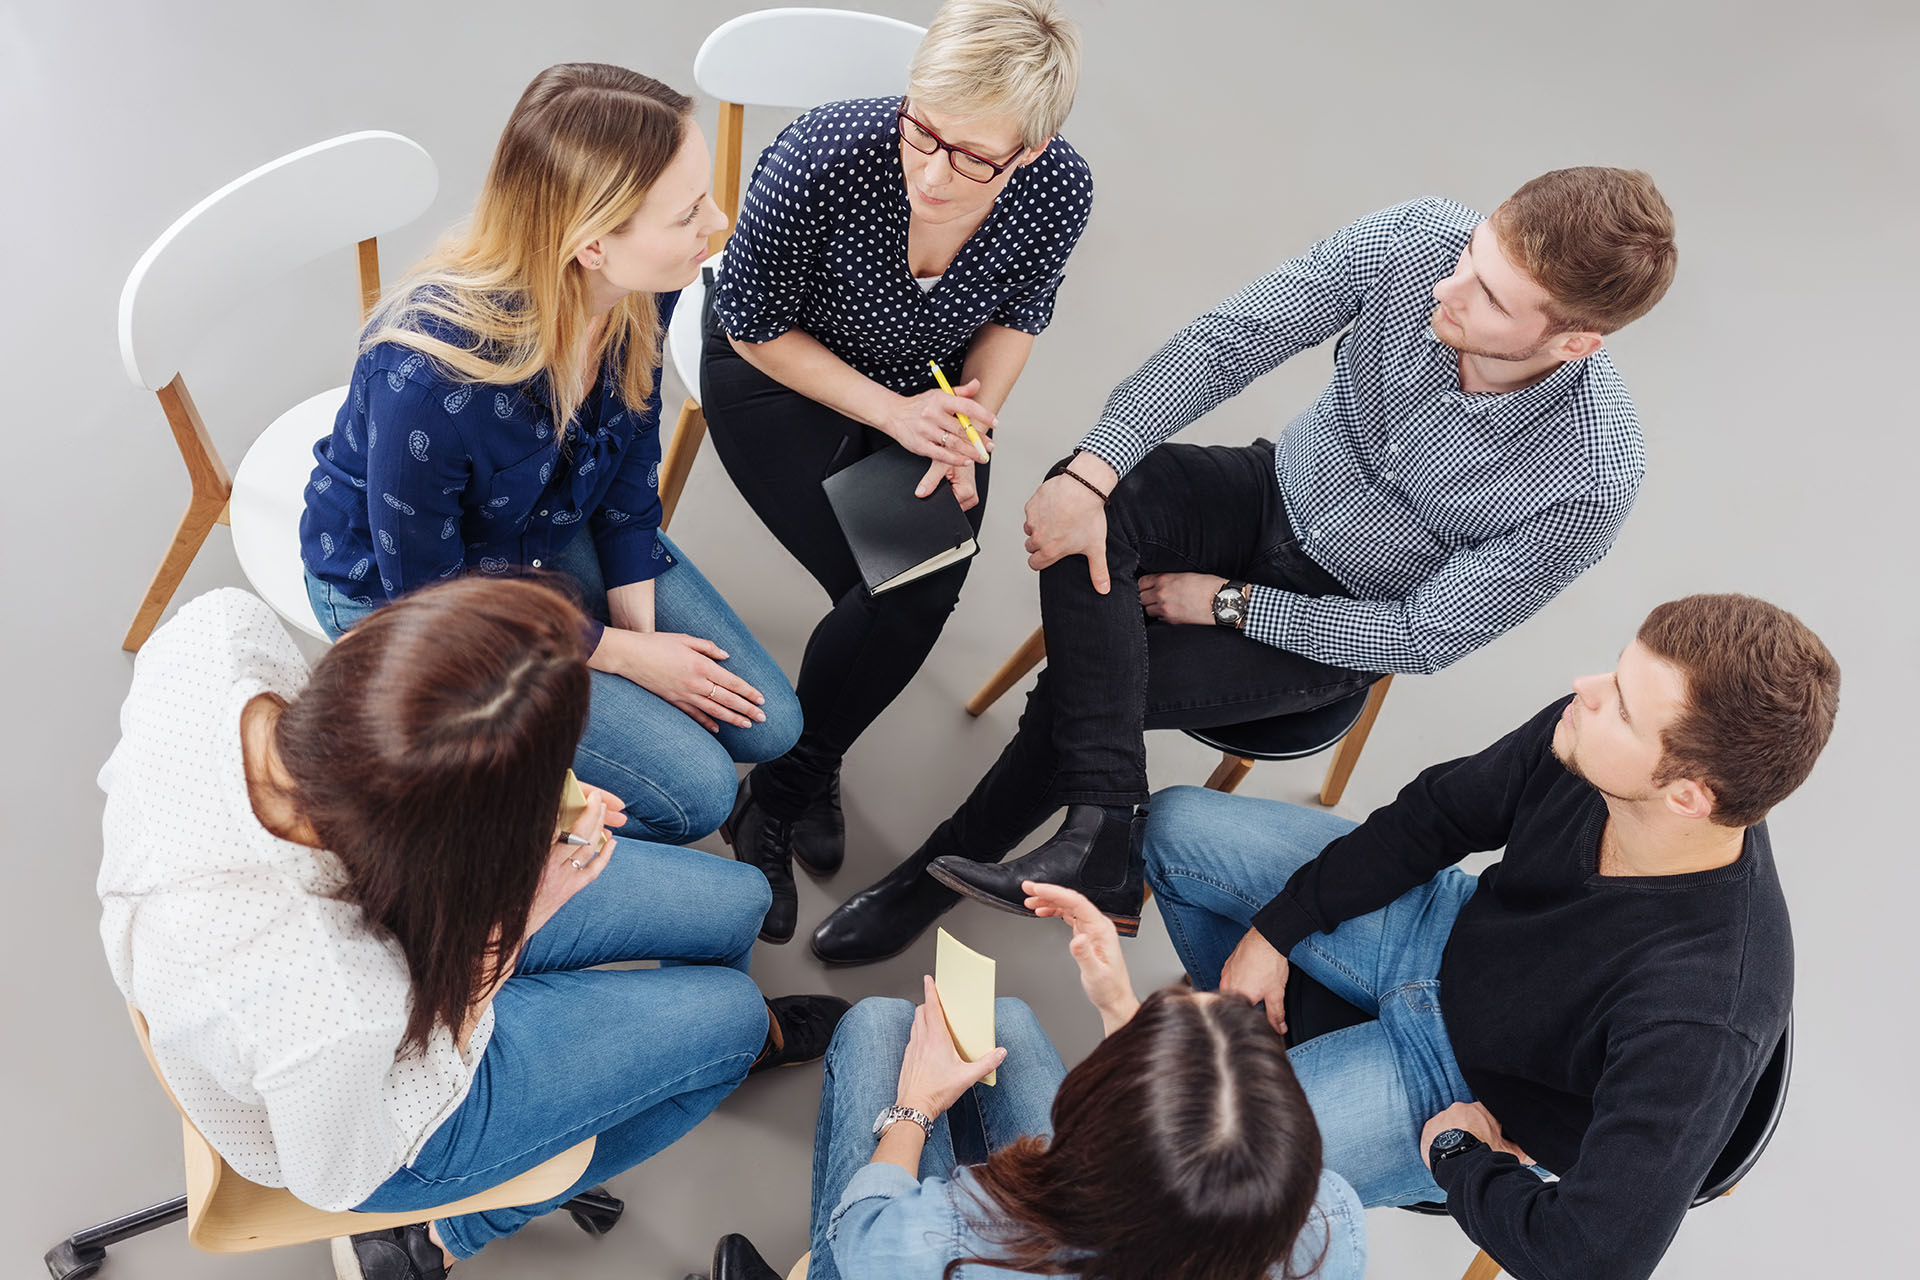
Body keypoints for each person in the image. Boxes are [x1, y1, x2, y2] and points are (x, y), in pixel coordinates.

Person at [810, 166, 1679, 962]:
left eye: (1489, 296)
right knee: (1089, 496)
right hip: (1270, 487)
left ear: (1574, 343)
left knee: (1091, 689)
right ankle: (1107, 829)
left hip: (1339, 619)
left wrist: (1232, 605)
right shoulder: (1418, 239)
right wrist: (1091, 467)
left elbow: (1426, 635)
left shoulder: (1592, 474)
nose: (1446, 290)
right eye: (1470, 254)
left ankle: (928, 878)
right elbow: (1231, 340)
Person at [96, 581, 849, 1280]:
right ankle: (448, 1232)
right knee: (734, 1023)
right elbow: (340, 1176)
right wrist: (520, 921)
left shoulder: (219, 634)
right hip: (391, 1106)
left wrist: (507, 800)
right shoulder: (332, 1006)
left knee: (741, 899)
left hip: (377, 902)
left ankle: (691, 1046)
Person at [1140, 594, 1838, 1279]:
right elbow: (1438, 816)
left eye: (1622, 706)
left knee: (1183, 1180)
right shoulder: (1588, 741)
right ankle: (1245, 1039)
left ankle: (1256, 1143)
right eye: (1616, 672)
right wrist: (1275, 930)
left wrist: (1460, 1156)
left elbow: (1595, 1256)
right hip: (1443, 935)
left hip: (1470, 1093)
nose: (1586, 689)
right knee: (1172, 829)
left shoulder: (1703, 1011)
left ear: (1688, 795)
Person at [299, 63, 801, 858]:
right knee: (699, 794)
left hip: (543, 518)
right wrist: (625, 656)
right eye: (687, 214)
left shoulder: (643, 286)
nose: (720, 220)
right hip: (417, 595)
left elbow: (632, 446)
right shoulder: (426, 382)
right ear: (593, 243)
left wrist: (634, 620)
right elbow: (432, 600)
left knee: (775, 726)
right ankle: (540, 845)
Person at [701, 0, 1093, 943]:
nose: (932, 170)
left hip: (931, 390)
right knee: (889, 589)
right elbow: (753, 327)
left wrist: (971, 414)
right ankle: (796, 780)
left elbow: (1018, 317)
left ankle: (786, 783)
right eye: (923, 131)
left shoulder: (1060, 190)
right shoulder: (820, 157)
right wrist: (895, 416)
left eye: (972, 158)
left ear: (1030, 153)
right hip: (785, 372)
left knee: (914, 586)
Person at [705, 882, 1365, 1280]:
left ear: (1097, 1144)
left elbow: (869, 1238)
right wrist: (1115, 1004)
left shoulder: (972, 1247)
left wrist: (916, 1107)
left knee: (879, 1026)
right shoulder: (1326, 1215)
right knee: (1006, 1023)